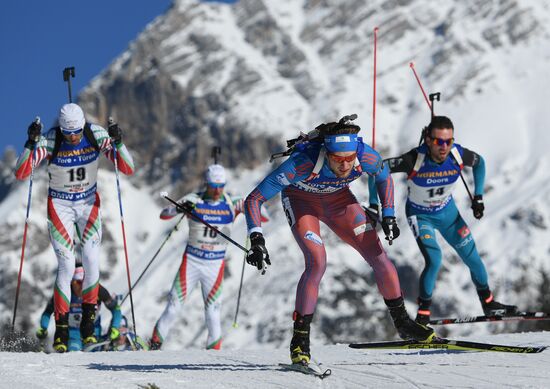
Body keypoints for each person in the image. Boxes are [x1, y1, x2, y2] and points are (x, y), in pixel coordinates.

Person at [243, 115, 435, 366]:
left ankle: (403, 323)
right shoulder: (302, 163)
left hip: (339, 201)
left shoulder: (364, 155)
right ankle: (300, 341)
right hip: (301, 202)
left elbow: (383, 176)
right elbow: (254, 199)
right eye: (337, 160)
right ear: (327, 152)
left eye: (349, 159)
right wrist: (256, 238)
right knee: (317, 262)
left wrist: (389, 215)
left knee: (378, 255)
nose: (345, 166)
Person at [369, 115, 518, 324]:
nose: (444, 147)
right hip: (421, 216)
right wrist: (375, 206)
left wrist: (479, 197)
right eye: (439, 141)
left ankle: (489, 303)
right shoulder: (415, 159)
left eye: (449, 141)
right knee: (435, 259)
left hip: (448, 214)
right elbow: (377, 169)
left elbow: (480, 163)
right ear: (429, 140)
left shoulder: (457, 154)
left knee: (473, 258)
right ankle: (423, 314)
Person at [15, 103, 134, 352]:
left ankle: (89, 324)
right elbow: (21, 172)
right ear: (61, 128)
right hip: (60, 206)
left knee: (91, 260)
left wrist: (118, 142)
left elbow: (126, 167)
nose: (73, 137)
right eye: (69, 133)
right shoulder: (51, 140)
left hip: (87, 203)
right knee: (68, 264)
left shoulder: (94, 134)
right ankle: (61, 328)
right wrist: (30, 142)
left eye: (77, 132)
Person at [150, 164, 250, 350]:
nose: (217, 190)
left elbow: (263, 215)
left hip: (215, 265)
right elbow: (164, 214)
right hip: (192, 262)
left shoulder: (231, 202)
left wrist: (248, 207)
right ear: (206, 184)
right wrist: (179, 209)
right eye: (213, 186)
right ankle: (154, 346)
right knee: (173, 308)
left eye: (221, 186)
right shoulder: (194, 199)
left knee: (213, 313)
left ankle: (213, 356)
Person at [35, 265, 123, 352]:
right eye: (78, 282)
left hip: (93, 332)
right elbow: (48, 311)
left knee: (94, 355)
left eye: (84, 282)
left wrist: (115, 327)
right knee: (74, 352)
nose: (82, 286)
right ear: (72, 282)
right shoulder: (64, 292)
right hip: (73, 334)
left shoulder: (98, 290)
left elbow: (115, 309)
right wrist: (44, 327)